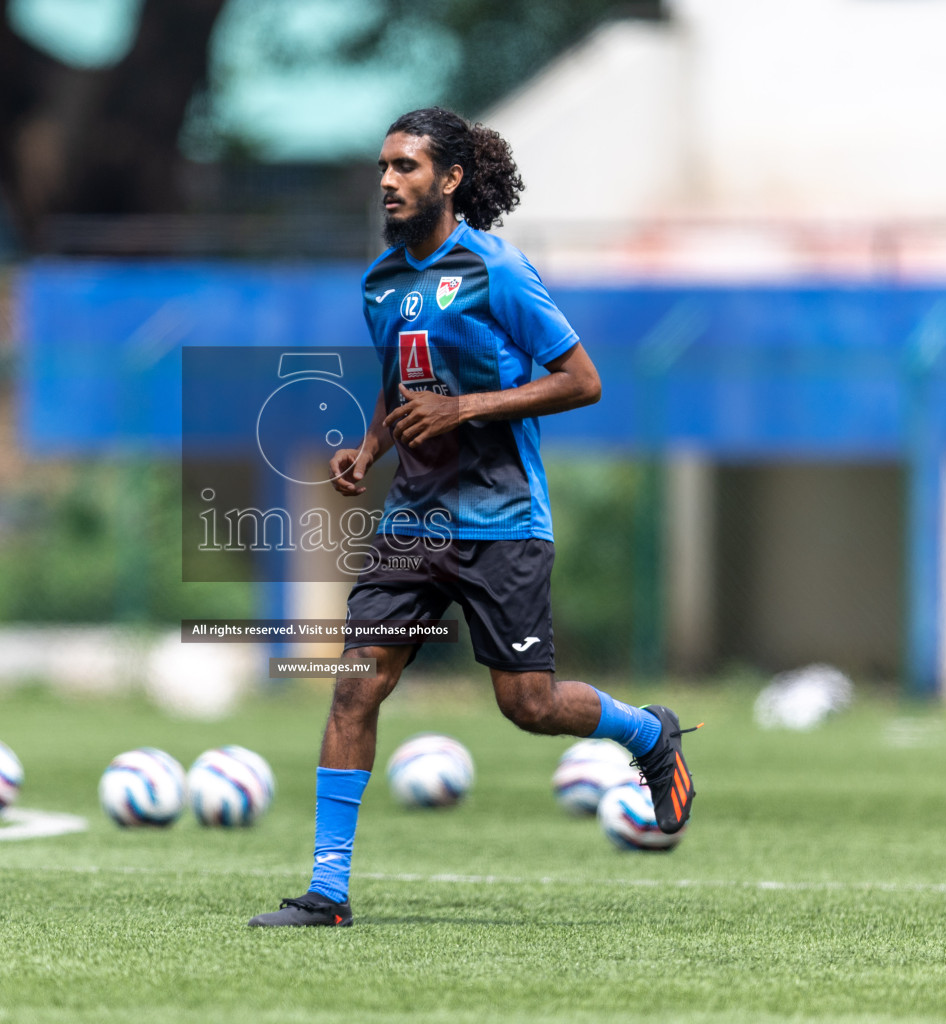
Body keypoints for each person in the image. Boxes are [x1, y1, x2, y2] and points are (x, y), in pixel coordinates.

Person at [249, 108, 698, 927]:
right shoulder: (380, 283)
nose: (388, 180)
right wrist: (369, 445)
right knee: (356, 688)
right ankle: (327, 892)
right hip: (412, 523)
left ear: (449, 180)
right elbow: (400, 380)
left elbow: (581, 378)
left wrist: (467, 410)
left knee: (528, 705)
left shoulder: (499, 270)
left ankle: (646, 732)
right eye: (383, 166)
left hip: (503, 522)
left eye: (406, 167)